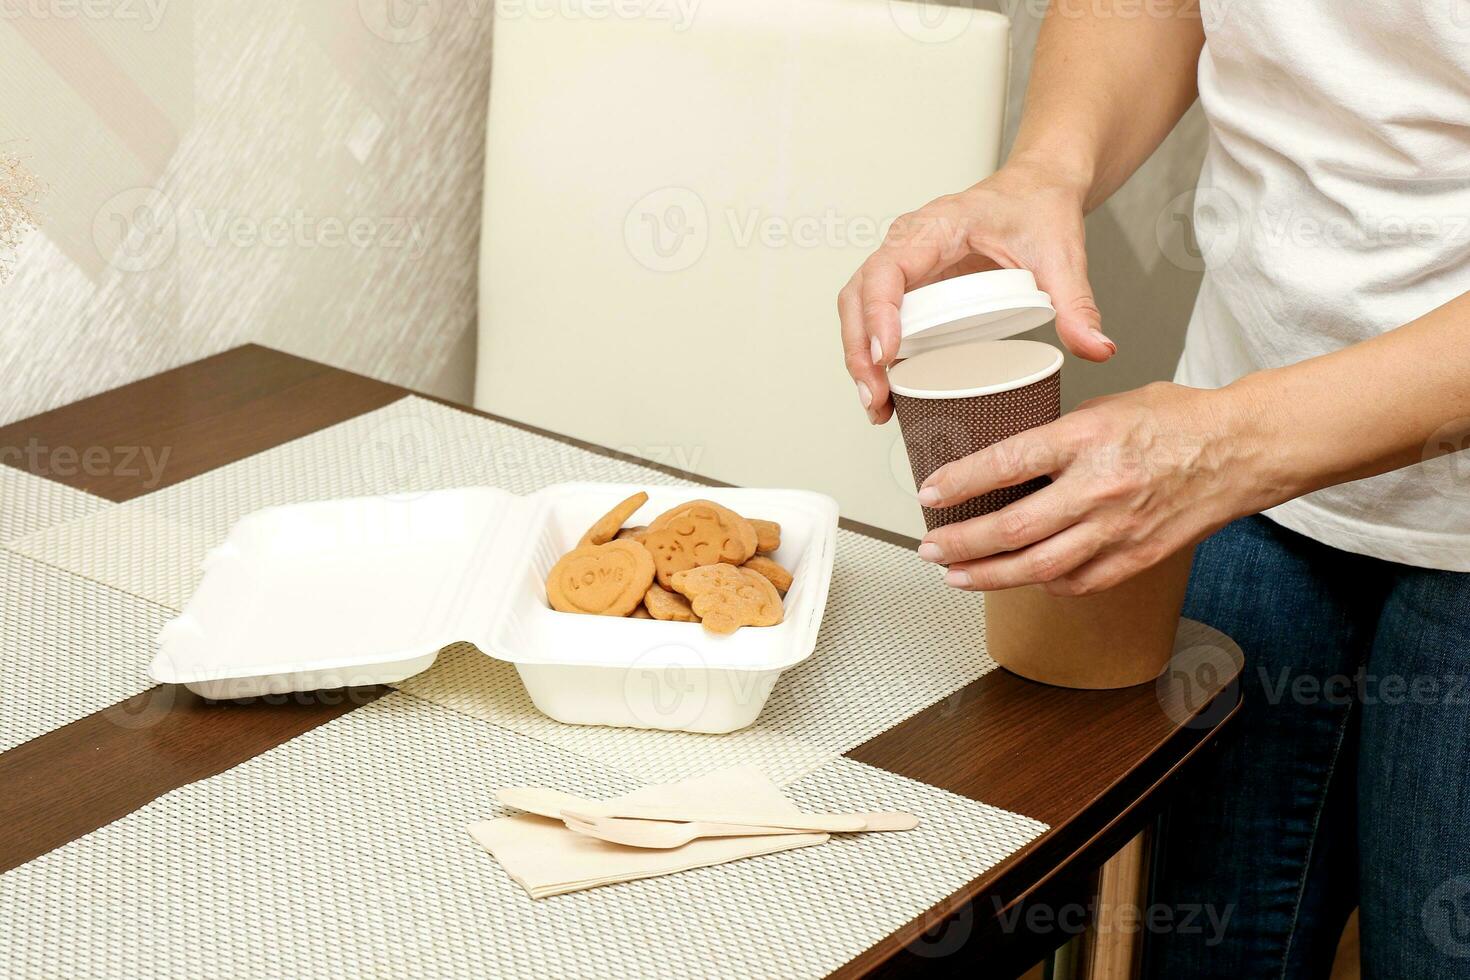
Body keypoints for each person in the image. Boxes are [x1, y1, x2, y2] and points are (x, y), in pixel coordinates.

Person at [838, 2, 1470, 976]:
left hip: (1281, 467)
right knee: (1195, 946)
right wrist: (1049, 165)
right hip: (1241, 454)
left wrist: (1228, 446)